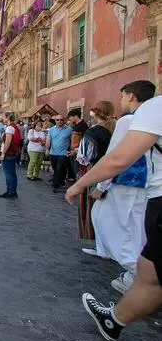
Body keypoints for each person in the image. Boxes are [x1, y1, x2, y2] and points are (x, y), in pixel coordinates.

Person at [65, 94, 162, 341]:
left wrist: (80, 185)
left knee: (147, 270)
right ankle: (114, 320)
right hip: (146, 194)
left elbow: (118, 158)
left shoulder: (151, 110)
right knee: (150, 274)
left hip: (151, 196)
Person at [87, 81, 155, 294]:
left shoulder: (128, 121)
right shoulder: (153, 117)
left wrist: (101, 184)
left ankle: (136, 275)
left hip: (128, 182)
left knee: (107, 221)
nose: (121, 101)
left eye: (123, 96)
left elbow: (114, 155)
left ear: (132, 97)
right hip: (147, 185)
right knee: (137, 228)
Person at [76, 101, 115, 240]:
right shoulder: (114, 128)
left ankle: (96, 238)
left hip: (94, 170)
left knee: (93, 206)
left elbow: (85, 157)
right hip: (111, 170)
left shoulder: (92, 131)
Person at [46, 115, 72, 193]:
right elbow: (48, 140)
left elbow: (72, 140)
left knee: (59, 168)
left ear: (64, 120)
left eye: (61, 119)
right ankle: (61, 180)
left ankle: (56, 184)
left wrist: (70, 150)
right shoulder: (51, 130)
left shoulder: (69, 129)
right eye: (57, 120)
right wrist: (47, 149)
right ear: (55, 121)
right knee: (55, 168)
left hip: (63, 153)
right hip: (53, 152)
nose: (59, 121)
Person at [0, 112, 21, 198]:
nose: (2, 118)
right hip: (13, 152)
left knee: (8, 174)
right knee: (12, 173)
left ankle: (10, 192)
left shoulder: (9, 128)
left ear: (8, 118)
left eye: (3, 117)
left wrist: (3, 153)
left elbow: (7, 142)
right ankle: (13, 191)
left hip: (8, 153)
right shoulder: (14, 127)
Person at [67, 108, 89, 182]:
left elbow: (85, 141)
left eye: (70, 117)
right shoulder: (76, 125)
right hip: (74, 151)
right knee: (75, 171)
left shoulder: (83, 126)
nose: (69, 119)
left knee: (78, 172)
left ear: (75, 116)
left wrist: (76, 151)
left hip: (78, 153)